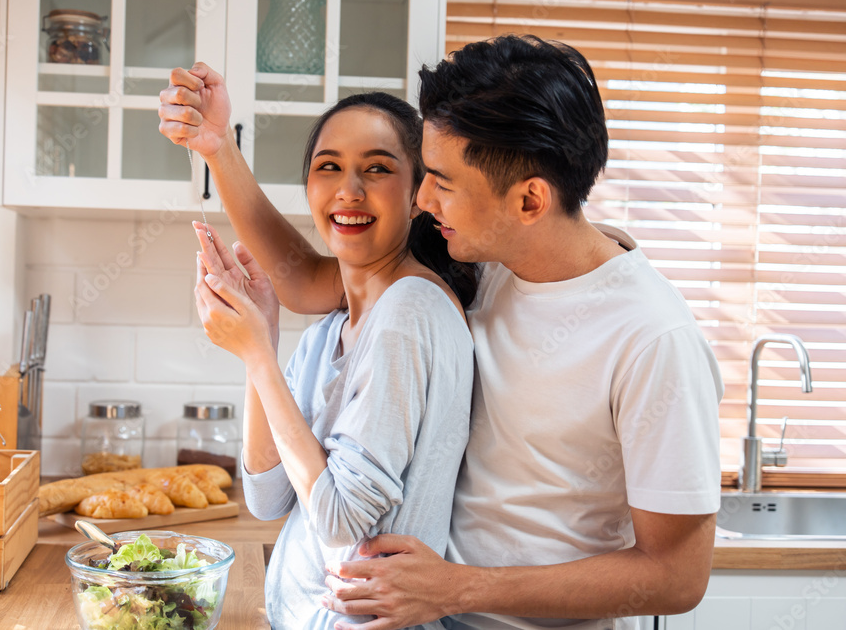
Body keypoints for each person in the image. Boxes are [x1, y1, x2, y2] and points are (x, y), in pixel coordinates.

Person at [159, 33, 723, 630]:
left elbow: (676, 576)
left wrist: (458, 588)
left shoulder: (654, 341)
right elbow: (306, 279)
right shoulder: (487, 257)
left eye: (443, 183)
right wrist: (218, 149)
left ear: (530, 200)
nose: (423, 200)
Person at [186, 91, 479, 629]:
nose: (350, 189)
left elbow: (341, 520)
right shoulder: (329, 331)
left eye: (377, 168)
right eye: (329, 167)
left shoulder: (411, 311)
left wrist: (256, 354)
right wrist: (264, 340)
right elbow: (267, 496)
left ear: (419, 195)